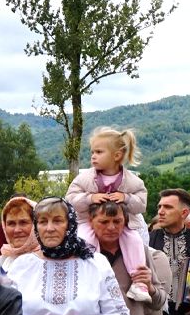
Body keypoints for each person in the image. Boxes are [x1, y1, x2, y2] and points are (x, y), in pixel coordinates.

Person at [65, 127, 152, 303]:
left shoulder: (133, 181)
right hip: (88, 222)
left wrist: (126, 198)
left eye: (99, 152)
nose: (93, 156)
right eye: (92, 152)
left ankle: (139, 283)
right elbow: (70, 199)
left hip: (124, 224)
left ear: (117, 155)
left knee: (135, 241)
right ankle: (89, 277)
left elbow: (142, 204)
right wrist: (90, 198)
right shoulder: (84, 178)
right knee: (84, 240)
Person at [0, 196, 40, 271]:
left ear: (36, 224)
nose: (17, 230)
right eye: (11, 223)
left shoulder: (48, 263)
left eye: (23, 222)